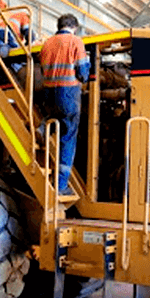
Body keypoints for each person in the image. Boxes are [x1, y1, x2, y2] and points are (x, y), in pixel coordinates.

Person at [39, 14, 90, 195]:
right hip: (68, 93)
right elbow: (83, 73)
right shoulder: (76, 42)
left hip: (48, 92)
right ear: (74, 27)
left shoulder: (47, 43)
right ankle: (60, 185)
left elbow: (42, 68)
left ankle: (44, 126)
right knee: (68, 138)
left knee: (55, 117)